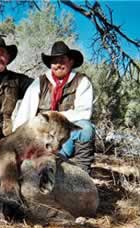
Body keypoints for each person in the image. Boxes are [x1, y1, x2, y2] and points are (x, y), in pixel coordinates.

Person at [13, 41, 95, 172]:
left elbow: (83, 113)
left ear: (71, 62)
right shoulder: (39, 82)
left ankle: (83, 173)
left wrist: (54, 118)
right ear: (50, 64)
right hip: (41, 137)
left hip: (64, 139)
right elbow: (25, 113)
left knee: (85, 128)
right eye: (54, 61)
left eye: (62, 60)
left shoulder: (82, 81)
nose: (58, 64)